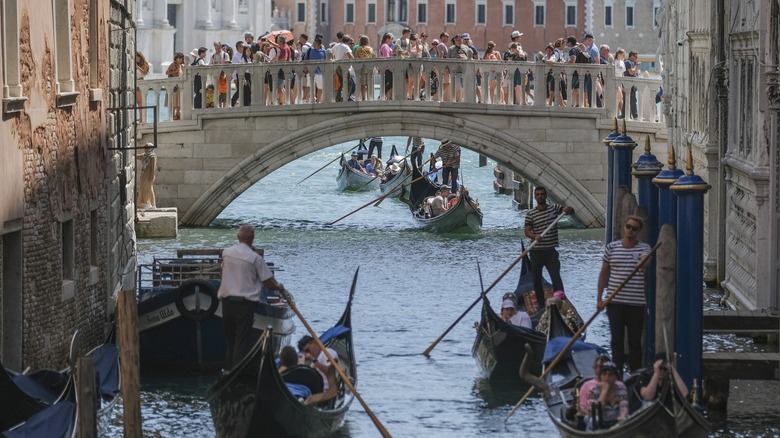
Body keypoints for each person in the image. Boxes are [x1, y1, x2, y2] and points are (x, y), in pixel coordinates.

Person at [218, 225, 285, 368]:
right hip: (244, 306)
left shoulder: (226, 253)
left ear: (238, 238)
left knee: (230, 341)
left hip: (226, 304)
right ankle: (236, 373)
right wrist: (279, 287)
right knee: (241, 341)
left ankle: (228, 371)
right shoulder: (255, 258)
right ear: (252, 239)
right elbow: (268, 282)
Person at [597, 215, 651, 374]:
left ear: (638, 231)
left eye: (634, 228)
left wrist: (643, 262)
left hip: (636, 304)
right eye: (628, 226)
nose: (630, 230)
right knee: (616, 341)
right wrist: (599, 299)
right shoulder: (612, 248)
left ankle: (636, 375)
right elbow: (603, 274)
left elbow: (645, 263)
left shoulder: (644, 248)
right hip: (614, 302)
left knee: (635, 341)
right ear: (624, 227)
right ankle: (616, 374)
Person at [524, 186, 574, 309]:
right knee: (537, 280)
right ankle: (541, 305)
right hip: (536, 252)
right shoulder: (531, 214)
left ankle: (560, 301)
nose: (540, 196)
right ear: (535, 197)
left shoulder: (554, 209)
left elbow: (570, 211)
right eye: (538, 195)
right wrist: (534, 236)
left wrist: (568, 209)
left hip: (550, 251)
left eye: (542, 194)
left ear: (546, 196)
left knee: (556, 277)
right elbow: (527, 231)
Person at [584, 361, 629, 429]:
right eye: (604, 374)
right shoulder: (593, 390)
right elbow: (594, 412)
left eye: (610, 375)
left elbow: (624, 405)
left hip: (617, 422)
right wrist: (604, 391)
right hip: (598, 423)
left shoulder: (621, 388)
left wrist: (623, 416)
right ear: (600, 376)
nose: (607, 377)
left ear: (615, 377)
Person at [298, 335, 339, 405]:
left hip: (328, 392)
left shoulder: (328, 353)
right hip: (317, 392)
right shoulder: (313, 364)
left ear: (314, 343)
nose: (308, 353)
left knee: (310, 400)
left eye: (308, 350)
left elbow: (328, 371)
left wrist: (313, 360)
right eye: (305, 352)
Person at [136, 143, 157, 209]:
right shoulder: (144, 155)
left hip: (149, 175)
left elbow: (153, 167)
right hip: (144, 174)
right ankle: (151, 204)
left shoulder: (152, 157)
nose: (146, 149)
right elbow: (136, 156)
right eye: (145, 147)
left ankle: (146, 203)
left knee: (146, 189)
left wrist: (152, 176)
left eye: (147, 148)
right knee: (147, 188)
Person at [165, 52, 185, 120]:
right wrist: (174, 72)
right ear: (176, 58)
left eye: (182, 58)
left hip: (179, 86)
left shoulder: (182, 66)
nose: (181, 59)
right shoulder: (173, 65)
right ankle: (173, 115)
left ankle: (177, 114)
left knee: (179, 100)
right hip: (173, 86)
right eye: (179, 58)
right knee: (174, 101)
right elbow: (167, 72)